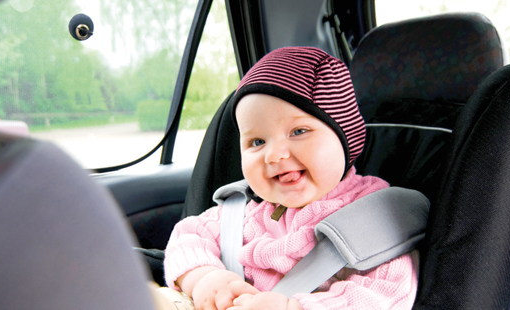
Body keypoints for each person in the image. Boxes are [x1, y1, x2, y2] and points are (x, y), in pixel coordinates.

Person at [161, 46, 419, 310]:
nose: (274, 155)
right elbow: (189, 235)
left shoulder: (371, 217)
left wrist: (293, 307)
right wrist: (206, 278)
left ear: (345, 137)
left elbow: (387, 292)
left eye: (299, 131)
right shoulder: (248, 211)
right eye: (257, 141)